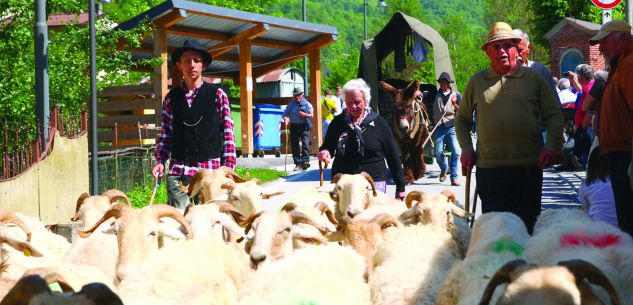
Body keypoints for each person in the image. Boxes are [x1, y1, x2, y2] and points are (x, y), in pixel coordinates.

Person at [455, 22, 564, 233]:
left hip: (528, 168)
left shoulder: (534, 78)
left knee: (527, 227)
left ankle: (526, 267)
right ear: (488, 52)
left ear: (517, 48)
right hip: (490, 169)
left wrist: (552, 146)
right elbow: (462, 120)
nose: (502, 51)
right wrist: (467, 148)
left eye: (507, 45)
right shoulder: (477, 82)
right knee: (495, 231)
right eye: (496, 47)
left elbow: (554, 114)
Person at [152, 39, 236, 209]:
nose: (192, 65)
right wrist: (160, 161)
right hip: (179, 171)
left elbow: (227, 134)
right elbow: (166, 135)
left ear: (203, 66)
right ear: (179, 65)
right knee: (182, 225)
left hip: (210, 173)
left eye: (197, 61)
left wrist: (228, 170)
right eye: (187, 61)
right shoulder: (171, 98)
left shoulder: (218, 95)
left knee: (211, 222)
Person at [317, 78, 406, 200]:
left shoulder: (379, 123)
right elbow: (328, 146)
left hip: (373, 184)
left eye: (357, 102)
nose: (353, 106)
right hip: (344, 183)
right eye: (349, 102)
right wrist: (325, 152)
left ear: (366, 101)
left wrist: (400, 187)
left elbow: (392, 156)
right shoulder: (338, 123)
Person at [589, 20, 633, 236]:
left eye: (606, 41)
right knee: (625, 218)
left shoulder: (629, 65)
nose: (601, 48)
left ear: (624, 39)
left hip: (627, 155)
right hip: (619, 154)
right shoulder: (621, 65)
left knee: (629, 219)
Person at [432, 72, 462, 186]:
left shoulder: (456, 95)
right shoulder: (435, 94)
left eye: (445, 82)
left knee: (456, 151)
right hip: (439, 127)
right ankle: (444, 168)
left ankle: (454, 177)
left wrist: (455, 104)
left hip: (451, 127)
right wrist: (417, 93)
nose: (442, 84)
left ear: (448, 83)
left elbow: (462, 110)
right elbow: (422, 98)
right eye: (441, 82)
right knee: (438, 152)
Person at [579, 147, 617, 227]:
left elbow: (586, 206)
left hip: (596, 229)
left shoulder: (586, 184)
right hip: (619, 226)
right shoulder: (620, 182)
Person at [567, 64, 595, 168]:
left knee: (588, 154)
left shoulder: (589, 89)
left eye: (578, 78)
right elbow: (580, 91)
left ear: (582, 78)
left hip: (586, 127)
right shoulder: (588, 87)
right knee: (586, 154)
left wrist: (581, 126)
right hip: (583, 126)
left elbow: (585, 108)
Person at [283, 87, 314, 171]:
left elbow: (312, 115)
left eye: (299, 95)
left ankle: (305, 162)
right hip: (294, 126)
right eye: (295, 95)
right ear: (293, 95)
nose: (297, 97)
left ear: (302, 94)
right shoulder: (291, 104)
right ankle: (298, 163)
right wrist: (285, 118)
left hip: (304, 126)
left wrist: (305, 114)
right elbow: (285, 114)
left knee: (305, 144)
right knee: (294, 145)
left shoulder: (307, 104)